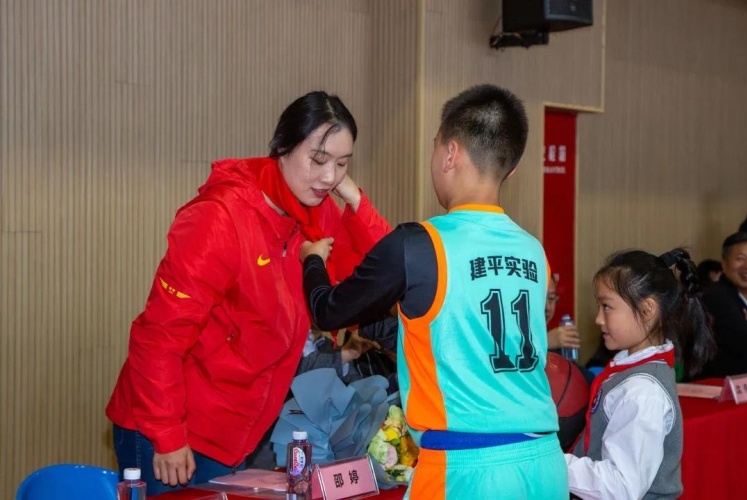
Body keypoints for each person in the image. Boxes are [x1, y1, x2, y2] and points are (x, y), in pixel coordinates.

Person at [106, 91, 391, 493]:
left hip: (239, 432)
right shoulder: (220, 217)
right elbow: (159, 336)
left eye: (342, 164)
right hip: (172, 429)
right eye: (318, 160)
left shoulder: (317, 210)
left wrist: (355, 198)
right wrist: (167, 434)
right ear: (282, 148)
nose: (329, 177)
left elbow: (378, 279)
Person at [300, 84, 568, 498]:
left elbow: (328, 311)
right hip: (545, 464)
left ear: (450, 154)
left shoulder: (420, 244)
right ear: (511, 169)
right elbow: (452, 332)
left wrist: (312, 261)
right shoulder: (534, 251)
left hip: (467, 468)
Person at [566, 248, 715, 499]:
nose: (598, 319)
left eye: (606, 306)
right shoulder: (633, 369)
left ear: (647, 310)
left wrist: (551, 462)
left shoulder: (643, 392)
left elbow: (620, 486)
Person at [699, 231, 747, 378]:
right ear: (724, 265)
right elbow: (744, 341)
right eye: (740, 259)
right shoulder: (716, 297)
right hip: (718, 384)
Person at [546, 273, 582, 352]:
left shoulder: (558, 341)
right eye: (540, 298)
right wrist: (545, 341)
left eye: (551, 298)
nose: (547, 307)